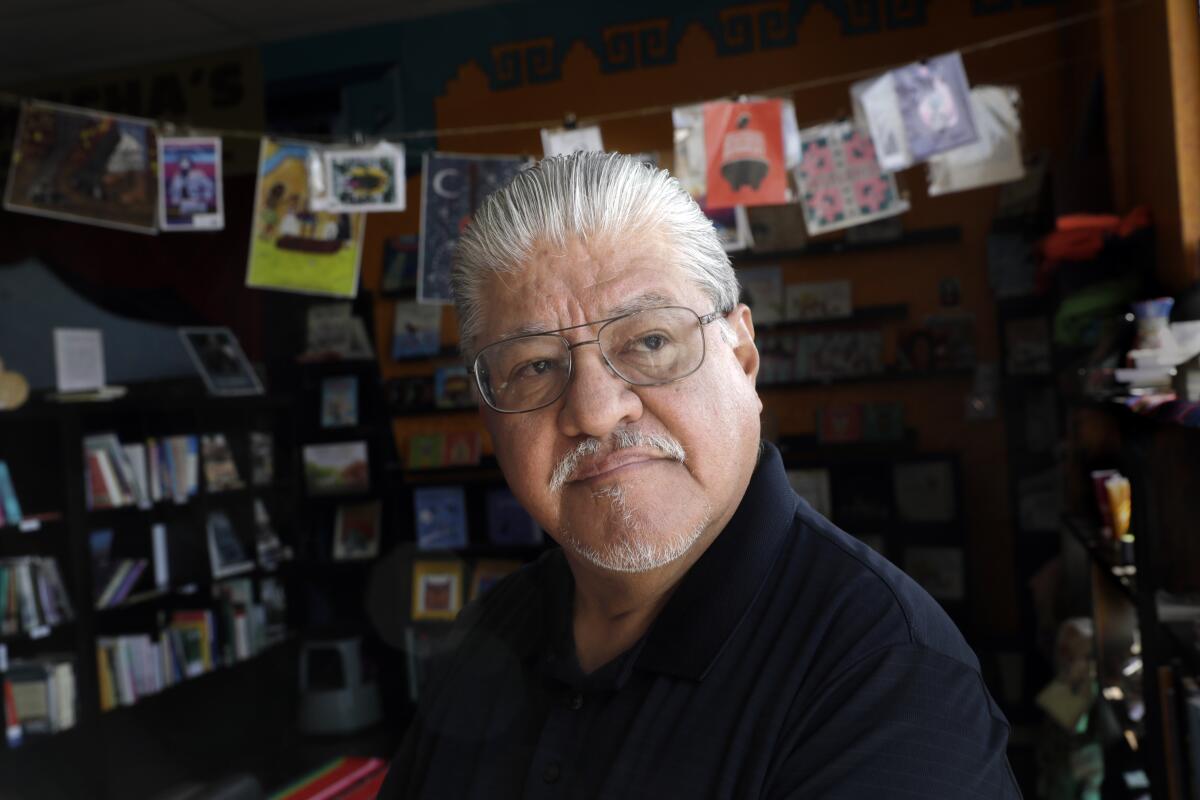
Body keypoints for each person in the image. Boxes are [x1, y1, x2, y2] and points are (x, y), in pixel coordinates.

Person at [378, 152, 1021, 799]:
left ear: (742, 357)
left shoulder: (885, 678)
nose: (596, 412)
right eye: (535, 367)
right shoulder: (484, 634)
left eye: (650, 341)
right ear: (490, 413)